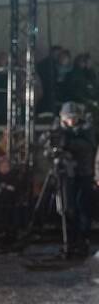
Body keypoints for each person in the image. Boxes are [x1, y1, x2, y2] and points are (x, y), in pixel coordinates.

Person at [58, 102, 97, 256]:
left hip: (83, 173)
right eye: (68, 118)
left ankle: (83, 239)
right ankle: (71, 240)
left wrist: (68, 143)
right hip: (66, 174)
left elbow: (88, 146)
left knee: (83, 207)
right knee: (68, 207)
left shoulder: (86, 128)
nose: (71, 121)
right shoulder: (60, 128)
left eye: (74, 118)